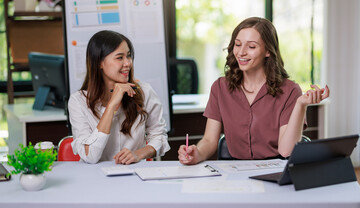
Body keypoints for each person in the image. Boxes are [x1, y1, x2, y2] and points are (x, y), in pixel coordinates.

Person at [178, 17, 329, 164]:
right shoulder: (220, 87)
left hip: (275, 170)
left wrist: (301, 105)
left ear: (268, 51)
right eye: (237, 44)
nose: (241, 52)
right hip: (235, 173)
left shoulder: (289, 91)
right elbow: (210, 140)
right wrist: (197, 153)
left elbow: (286, 151)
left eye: (251, 47)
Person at [68, 30, 170, 164]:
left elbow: (159, 136)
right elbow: (90, 156)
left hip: (135, 175)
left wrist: (137, 154)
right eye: (119, 57)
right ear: (99, 62)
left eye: (128, 56)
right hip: (95, 179)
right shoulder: (78, 101)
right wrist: (111, 106)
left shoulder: (144, 91)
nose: (128, 63)